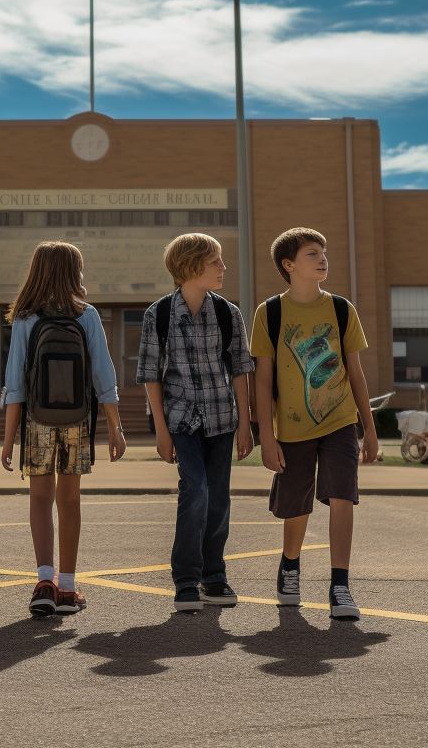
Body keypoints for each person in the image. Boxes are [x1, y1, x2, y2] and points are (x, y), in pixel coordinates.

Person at [250, 227, 378, 621]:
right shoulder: (269, 313)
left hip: (340, 420)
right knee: (296, 506)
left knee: (343, 496)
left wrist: (369, 428)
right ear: (289, 265)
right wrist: (266, 437)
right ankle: (290, 565)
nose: (323, 258)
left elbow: (356, 374)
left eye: (324, 252)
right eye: (312, 253)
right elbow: (264, 380)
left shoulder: (341, 309)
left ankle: (340, 585)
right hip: (291, 427)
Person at [1, 241, 127, 617]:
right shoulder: (86, 315)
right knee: (69, 499)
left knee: (40, 497)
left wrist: (9, 439)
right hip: (78, 420)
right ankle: (68, 588)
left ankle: (44, 581)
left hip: (37, 420)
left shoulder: (25, 317)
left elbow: (15, 382)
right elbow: (104, 375)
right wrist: (115, 427)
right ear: (73, 272)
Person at [136, 233, 255, 613]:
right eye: (215, 261)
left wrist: (245, 423)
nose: (223, 267)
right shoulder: (159, 315)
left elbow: (240, 370)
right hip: (180, 421)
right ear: (190, 266)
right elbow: (151, 375)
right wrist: (161, 430)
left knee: (218, 497)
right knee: (197, 491)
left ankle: (214, 576)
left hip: (222, 419)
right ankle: (186, 578)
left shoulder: (228, 313)